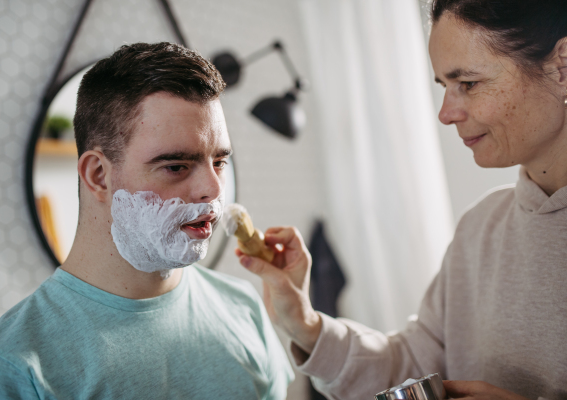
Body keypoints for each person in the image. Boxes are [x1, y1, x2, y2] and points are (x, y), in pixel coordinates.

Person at [235, 1, 567, 399]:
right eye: (444, 86)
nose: (445, 114)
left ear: (561, 66)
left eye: (470, 84)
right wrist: (306, 324)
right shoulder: (480, 227)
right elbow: (412, 363)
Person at [0, 42, 293, 399]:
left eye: (218, 162)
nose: (213, 189)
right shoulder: (9, 367)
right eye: (176, 166)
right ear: (98, 176)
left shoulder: (244, 308)